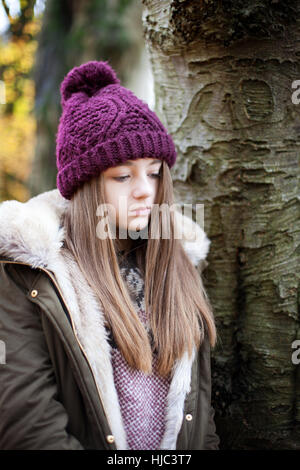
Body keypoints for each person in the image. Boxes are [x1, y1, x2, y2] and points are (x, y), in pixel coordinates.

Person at [0, 60, 219, 450]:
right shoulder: (33, 273)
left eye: (154, 172)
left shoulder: (179, 264)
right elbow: (28, 424)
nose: (144, 191)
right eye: (123, 175)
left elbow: (201, 418)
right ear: (85, 185)